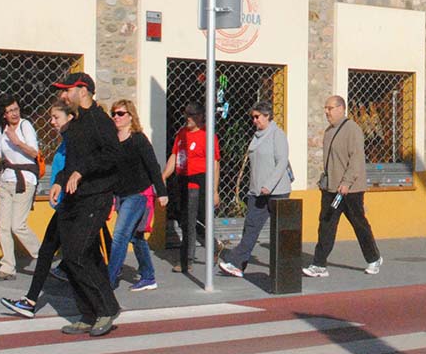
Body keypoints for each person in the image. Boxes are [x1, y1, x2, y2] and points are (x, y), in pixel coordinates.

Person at [50, 72, 121, 336]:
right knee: (75, 256)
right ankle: (88, 313)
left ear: (83, 90)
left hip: (96, 196)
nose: (63, 96)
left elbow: (112, 156)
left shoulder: (101, 121)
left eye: (67, 90)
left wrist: (82, 172)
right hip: (73, 198)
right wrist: (59, 179)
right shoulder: (75, 123)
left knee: (78, 254)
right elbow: (71, 160)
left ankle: (106, 309)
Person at [1, 100, 75, 318]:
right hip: (63, 204)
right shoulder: (65, 141)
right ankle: (30, 302)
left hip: (76, 206)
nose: (50, 122)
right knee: (46, 253)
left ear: (70, 118)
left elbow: (76, 168)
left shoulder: (75, 141)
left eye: (55, 117)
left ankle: (101, 303)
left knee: (85, 259)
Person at [303, 96, 383, 278]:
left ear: (341, 108)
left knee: (358, 223)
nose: (326, 112)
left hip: (350, 189)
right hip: (331, 188)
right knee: (326, 224)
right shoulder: (329, 131)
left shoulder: (352, 129)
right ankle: (319, 264)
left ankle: (374, 258)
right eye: (325, 108)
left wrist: (346, 182)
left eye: (330, 108)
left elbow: (356, 158)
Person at [219, 102, 292, 278]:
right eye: (252, 117)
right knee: (251, 227)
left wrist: (269, 184)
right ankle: (238, 265)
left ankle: (286, 268)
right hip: (257, 191)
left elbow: (282, 162)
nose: (254, 120)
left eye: (257, 117)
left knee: (281, 231)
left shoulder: (277, 135)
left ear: (267, 116)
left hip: (276, 191)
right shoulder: (257, 136)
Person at [107, 100, 168, 290]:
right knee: (135, 236)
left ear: (131, 116)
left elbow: (153, 166)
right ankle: (148, 276)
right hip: (120, 195)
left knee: (120, 235)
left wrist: (162, 192)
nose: (116, 117)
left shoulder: (138, 139)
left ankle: (108, 280)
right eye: (114, 113)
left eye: (121, 113)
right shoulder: (112, 140)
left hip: (138, 195)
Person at [163, 102, 220, 274]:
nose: (188, 118)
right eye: (187, 114)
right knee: (184, 220)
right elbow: (175, 155)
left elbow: (215, 163)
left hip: (198, 181)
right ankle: (214, 245)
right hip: (182, 179)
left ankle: (186, 260)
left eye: (192, 115)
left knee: (192, 219)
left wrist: (214, 190)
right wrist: (164, 175)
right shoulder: (182, 134)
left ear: (201, 117)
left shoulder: (207, 136)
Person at [0, 96, 42, 281]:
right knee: (3, 226)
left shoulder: (25, 125)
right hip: (6, 180)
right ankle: (7, 267)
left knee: (18, 225)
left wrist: (17, 141)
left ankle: (43, 257)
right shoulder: (1, 129)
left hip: (25, 180)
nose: (14, 113)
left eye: (16, 109)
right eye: (9, 111)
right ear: (3, 114)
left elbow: (35, 152)